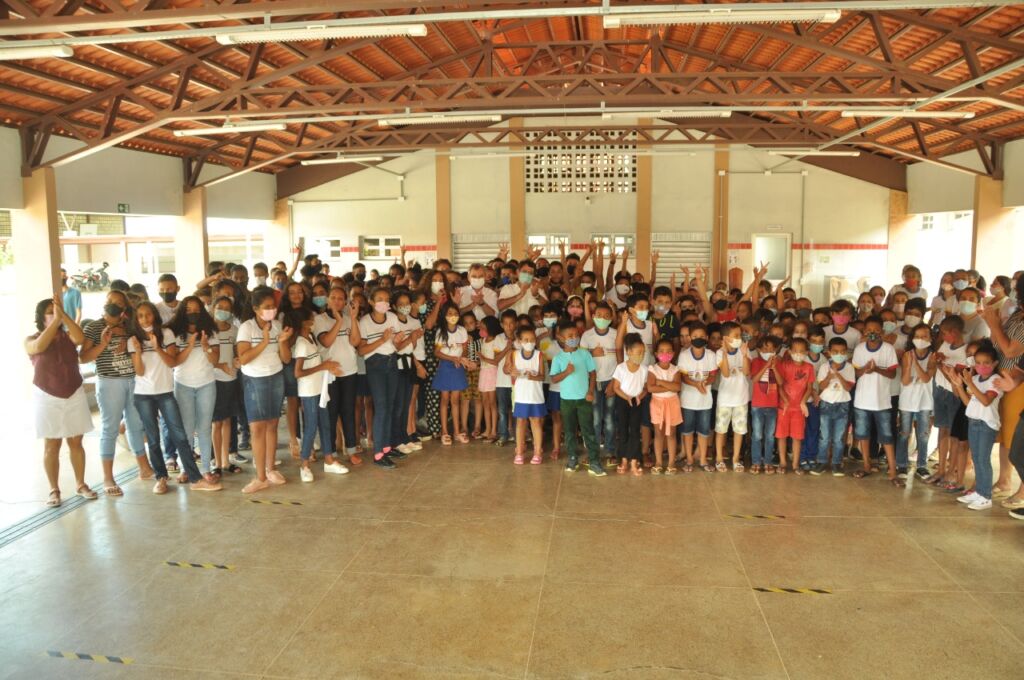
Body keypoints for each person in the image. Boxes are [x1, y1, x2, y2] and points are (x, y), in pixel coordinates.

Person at [128, 301, 217, 493]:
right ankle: (161, 478)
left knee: (180, 435)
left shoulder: (166, 334)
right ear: (136, 318)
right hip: (143, 395)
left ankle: (195, 477)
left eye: (149, 315)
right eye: (141, 316)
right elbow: (140, 371)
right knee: (152, 438)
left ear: (155, 316)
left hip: (165, 392)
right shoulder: (133, 339)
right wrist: (137, 351)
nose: (145, 319)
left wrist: (157, 347)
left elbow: (171, 362)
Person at [79, 289, 154, 496]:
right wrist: (103, 344)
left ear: (124, 308)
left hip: (133, 381)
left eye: (118, 302)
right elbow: (83, 357)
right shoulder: (94, 327)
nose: (113, 303)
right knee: (110, 428)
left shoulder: (129, 327)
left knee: (135, 425)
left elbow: (140, 349)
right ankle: (108, 478)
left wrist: (129, 345)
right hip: (109, 382)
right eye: (110, 300)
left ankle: (144, 468)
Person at [26, 294, 95, 506]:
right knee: (52, 443)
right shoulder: (31, 339)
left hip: (73, 392)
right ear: (41, 317)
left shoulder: (68, 337)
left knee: (76, 441)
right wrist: (56, 321)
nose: (55, 314)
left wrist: (63, 316)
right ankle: (54, 489)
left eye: (56, 310)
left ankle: (81, 483)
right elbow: (38, 348)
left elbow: (80, 339)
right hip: (47, 395)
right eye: (50, 312)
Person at [237, 288, 293, 493]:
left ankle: (270, 469)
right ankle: (260, 477)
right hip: (255, 380)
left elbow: (286, 359)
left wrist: (283, 341)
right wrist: (265, 340)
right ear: (255, 309)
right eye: (267, 307)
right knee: (257, 428)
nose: (271, 310)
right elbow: (243, 358)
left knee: (272, 424)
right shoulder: (247, 327)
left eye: (273, 306)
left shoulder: (277, 325)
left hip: (276, 377)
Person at [168, 297, 223, 480]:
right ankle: (187, 469)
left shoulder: (211, 331)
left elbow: (215, 361)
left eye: (197, 310)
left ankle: (206, 469)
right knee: (187, 428)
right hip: (183, 384)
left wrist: (206, 347)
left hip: (206, 384)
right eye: (189, 310)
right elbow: (174, 361)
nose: (193, 313)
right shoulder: (174, 333)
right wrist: (191, 345)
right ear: (183, 312)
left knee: (204, 428)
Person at [292, 307, 345, 482]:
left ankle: (329, 460)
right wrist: (322, 367)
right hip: (308, 392)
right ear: (303, 322)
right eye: (311, 319)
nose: (313, 321)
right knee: (311, 427)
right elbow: (298, 373)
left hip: (319, 388)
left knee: (325, 423)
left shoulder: (310, 339)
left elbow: (315, 362)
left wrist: (327, 365)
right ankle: (304, 465)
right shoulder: (301, 343)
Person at [358, 287, 410, 467]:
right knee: (381, 407)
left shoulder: (393, 317)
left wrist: (398, 339)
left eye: (387, 299)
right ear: (371, 302)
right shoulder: (364, 321)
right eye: (379, 299)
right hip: (375, 365)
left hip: (391, 362)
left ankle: (387, 447)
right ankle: (378, 453)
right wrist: (382, 339)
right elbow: (361, 350)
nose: (384, 302)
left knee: (390, 405)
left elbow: (395, 346)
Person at [948, 342, 1002, 511]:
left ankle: (986, 496)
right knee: (977, 459)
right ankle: (979, 491)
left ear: (994, 363)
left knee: (983, 460)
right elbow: (967, 402)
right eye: (977, 362)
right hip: (973, 421)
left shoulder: (995, 380)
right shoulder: (976, 379)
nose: (981, 366)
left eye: (986, 363)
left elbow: (986, 401)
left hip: (986, 424)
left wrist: (969, 383)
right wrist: (959, 385)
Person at [850, 317, 903, 487]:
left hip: (882, 402)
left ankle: (893, 471)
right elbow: (856, 374)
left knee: (887, 437)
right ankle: (866, 465)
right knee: (863, 435)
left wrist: (877, 369)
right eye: (869, 330)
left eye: (876, 330)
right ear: (864, 332)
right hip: (862, 401)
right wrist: (866, 369)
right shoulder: (859, 349)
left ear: (881, 332)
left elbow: (892, 374)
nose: (872, 334)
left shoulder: (888, 349)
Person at [315, 285, 364, 467]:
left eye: (341, 299)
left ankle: (351, 450)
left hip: (350, 371)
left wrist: (352, 318)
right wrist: (337, 321)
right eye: (333, 298)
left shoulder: (348, 318)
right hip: (330, 375)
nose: (337, 301)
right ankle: (331, 451)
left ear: (345, 302)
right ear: (328, 300)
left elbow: (355, 342)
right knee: (331, 413)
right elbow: (326, 342)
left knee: (348, 412)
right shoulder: (319, 320)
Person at [549, 319, 606, 476]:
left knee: (588, 431)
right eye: (570, 335)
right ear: (561, 338)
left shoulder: (584, 354)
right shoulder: (558, 359)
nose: (574, 337)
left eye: (576, 334)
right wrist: (566, 372)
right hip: (566, 400)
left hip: (583, 399)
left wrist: (590, 391)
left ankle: (594, 461)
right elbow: (554, 378)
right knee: (569, 431)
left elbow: (592, 373)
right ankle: (572, 458)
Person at [930, 315, 968, 486]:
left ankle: (951, 470)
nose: (942, 337)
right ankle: (941, 469)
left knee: (954, 435)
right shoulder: (945, 345)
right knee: (942, 430)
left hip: (953, 395)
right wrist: (936, 361)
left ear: (954, 332)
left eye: (945, 333)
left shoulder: (965, 352)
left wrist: (941, 367)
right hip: (939, 390)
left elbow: (957, 380)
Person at [897, 323, 936, 480]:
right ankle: (902, 464)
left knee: (923, 434)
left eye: (924, 336)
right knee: (904, 433)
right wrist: (909, 365)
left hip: (925, 401)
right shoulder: (907, 355)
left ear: (930, 338)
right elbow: (905, 381)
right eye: (917, 336)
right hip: (907, 401)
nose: (920, 339)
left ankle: (921, 465)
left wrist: (915, 363)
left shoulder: (933, 356)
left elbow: (926, 378)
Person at [677, 321, 717, 472]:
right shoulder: (684, 355)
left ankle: (702, 459)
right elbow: (683, 377)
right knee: (687, 431)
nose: (698, 338)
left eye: (701, 336)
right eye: (694, 336)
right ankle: (688, 459)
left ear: (706, 337)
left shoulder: (711, 355)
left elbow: (713, 375)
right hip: (688, 401)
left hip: (705, 401)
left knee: (703, 431)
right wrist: (696, 384)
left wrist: (705, 382)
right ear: (690, 338)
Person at [581, 299, 617, 460]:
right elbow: (580, 358)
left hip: (611, 381)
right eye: (599, 315)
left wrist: (615, 382)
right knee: (595, 418)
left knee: (609, 417)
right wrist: (591, 353)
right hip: (593, 382)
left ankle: (609, 448)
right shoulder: (587, 335)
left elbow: (621, 358)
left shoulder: (615, 334)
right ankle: (593, 449)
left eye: (606, 316)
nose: (602, 318)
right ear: (594, 316)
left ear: (611, 318)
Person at [209, 295, 242, 476]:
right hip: (214, 380)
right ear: (213, 308)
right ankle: (217, 463)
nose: (223, 311)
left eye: (227, 308)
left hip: (231, 380)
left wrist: (238, 361)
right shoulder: (208, 331)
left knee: (228, 420)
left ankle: (226, 460)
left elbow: (237, 352)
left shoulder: (235, 330)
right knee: (216, 423)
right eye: (219, 307)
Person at [813, 337, 854, 476]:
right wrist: (830, 375)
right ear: (829, 352)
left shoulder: (849, 367)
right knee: (824, 436)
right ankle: (822, 461)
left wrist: (838, 374)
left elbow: (848, 388)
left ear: (846, 353)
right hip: (826, 404)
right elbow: (821, 386)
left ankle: (836, 463)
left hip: (842, 405)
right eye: (835, 351)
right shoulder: (825, 367)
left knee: (838, 438)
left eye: (842, 352)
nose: (839, 354)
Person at [432, 302, 471, 446]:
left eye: (455, 313)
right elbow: (437, 352)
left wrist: (462, 359)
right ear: (444, 315)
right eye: (449, 313)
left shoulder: (462, 330)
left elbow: (465, 349)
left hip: (458, 366)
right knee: (445, 399)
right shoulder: (441, 331)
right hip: (446, 366)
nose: (453, 316)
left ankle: (456, 431)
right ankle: (444, 431)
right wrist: (452, 358)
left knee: (455, 400)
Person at [775, 337, 815, 475]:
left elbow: (809, 388)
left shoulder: (809, 368)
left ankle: (796, 464)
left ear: (807, 352)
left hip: (799, 409)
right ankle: (782, 463)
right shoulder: (785, 366)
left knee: (797, 437)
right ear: (790, 351)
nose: (799, 353)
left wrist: (803, 402)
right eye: (796, 351)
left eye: (802, 351)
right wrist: (785, 401)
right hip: (784, 408)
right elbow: (780, 386)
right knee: (782, 436)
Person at [508, 325, 547, 465]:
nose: (529, 342)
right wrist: (512, 372)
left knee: (536, 422)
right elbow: (508, 370)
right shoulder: (514, 354)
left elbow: (542, 376)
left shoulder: (539, 355)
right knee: (520, 422)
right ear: (519, 341)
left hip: (535, 395)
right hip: (521, 395)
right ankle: (519, 451)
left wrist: (532, 377)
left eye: (532, 339)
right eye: (526, 339)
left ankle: (537, 452)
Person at [715, 321, 750, 471]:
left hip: (741, 399)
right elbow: (726, 373)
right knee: (721, 429)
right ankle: (719, 458)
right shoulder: (718, 353)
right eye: (735, 335)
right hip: (725, 399)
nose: (739, 338)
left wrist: (744, 355)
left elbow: (747, 372)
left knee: (739, 430)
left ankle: (736, 458)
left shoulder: (745, 351)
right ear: (726, 338)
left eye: (740, 335)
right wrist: (724, 353)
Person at [611, 333, 648, 476]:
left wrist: (640, 396)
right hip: (623, 401)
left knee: (635, 431)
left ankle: (634, 460)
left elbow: (645, 388)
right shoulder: (621, 368)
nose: (641, 355)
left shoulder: (644, 369)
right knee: (623, 430)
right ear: (629, 352)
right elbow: (615, 388)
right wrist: (626, 397)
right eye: (639, 352)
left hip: (637, 401)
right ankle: (624, 460)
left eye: (643, 352)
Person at [647, 337, 683, 474]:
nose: (665, 353)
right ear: (656, 354)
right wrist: (669, 386)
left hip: (672, 403)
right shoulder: (652, 368)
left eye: (668, 351)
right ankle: (658, 462)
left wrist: (660, 382)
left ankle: (672, 462)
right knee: (658, 433)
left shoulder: (675, 369)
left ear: (673, 353)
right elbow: (650, 388)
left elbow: (677, 387)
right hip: (657, 404)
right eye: (661, 351)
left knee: (672, 433)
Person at [749, 336, 781, 474]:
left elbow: (780, 382)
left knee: (769, 435)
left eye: (771, 349)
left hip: (773, 405)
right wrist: (766, 366)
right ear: (758, 350)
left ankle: (768, 461)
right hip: (758, 405)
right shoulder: (756, 361)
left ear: (776, 350)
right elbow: (755, 379)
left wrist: (774, 368)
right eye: (765, 348)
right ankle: (756, 461)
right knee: (757, 435)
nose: (768, 351)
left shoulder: (778, 362)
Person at [493, 310, 517, 447]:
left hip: (516, 382)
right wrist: (507, 348)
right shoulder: (498, 338)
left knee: (515, 410)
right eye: (506, 324)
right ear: (502, 325)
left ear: (516, 324)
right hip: (502, 381)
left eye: (511, 323)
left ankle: (515, 434)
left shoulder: (520, 338)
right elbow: (496, 360)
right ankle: (503, 435)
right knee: (502, 410)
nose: (509, 327)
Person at [477, 315, 502, 442]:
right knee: (485, 403)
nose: (480, 329)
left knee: (492, 403)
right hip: (483, 373)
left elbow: (496, 361)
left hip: (492, 373)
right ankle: (487, 429)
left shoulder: (496, 341)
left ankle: (494, 430)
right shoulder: (482, 341)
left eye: (483, 327)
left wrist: (483, 358)